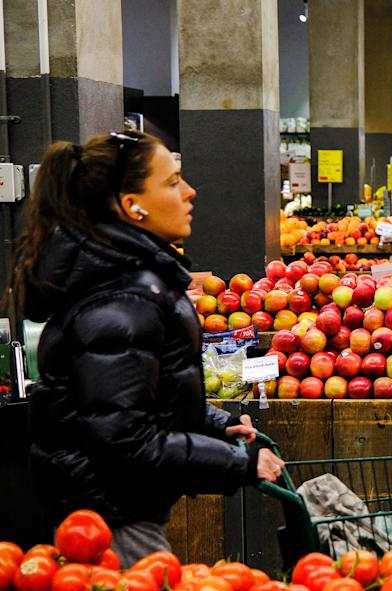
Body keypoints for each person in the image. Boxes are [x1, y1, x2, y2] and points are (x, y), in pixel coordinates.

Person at [8, 132, 285, 567]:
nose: (191, 191)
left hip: (109, 508)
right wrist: (241, 463)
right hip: (109, 524)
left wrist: (216, 424)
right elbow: (123, 440)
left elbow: (132, 401)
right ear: (131, 204)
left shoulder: (127, 279)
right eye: (173, 182)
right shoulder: (124, 297)